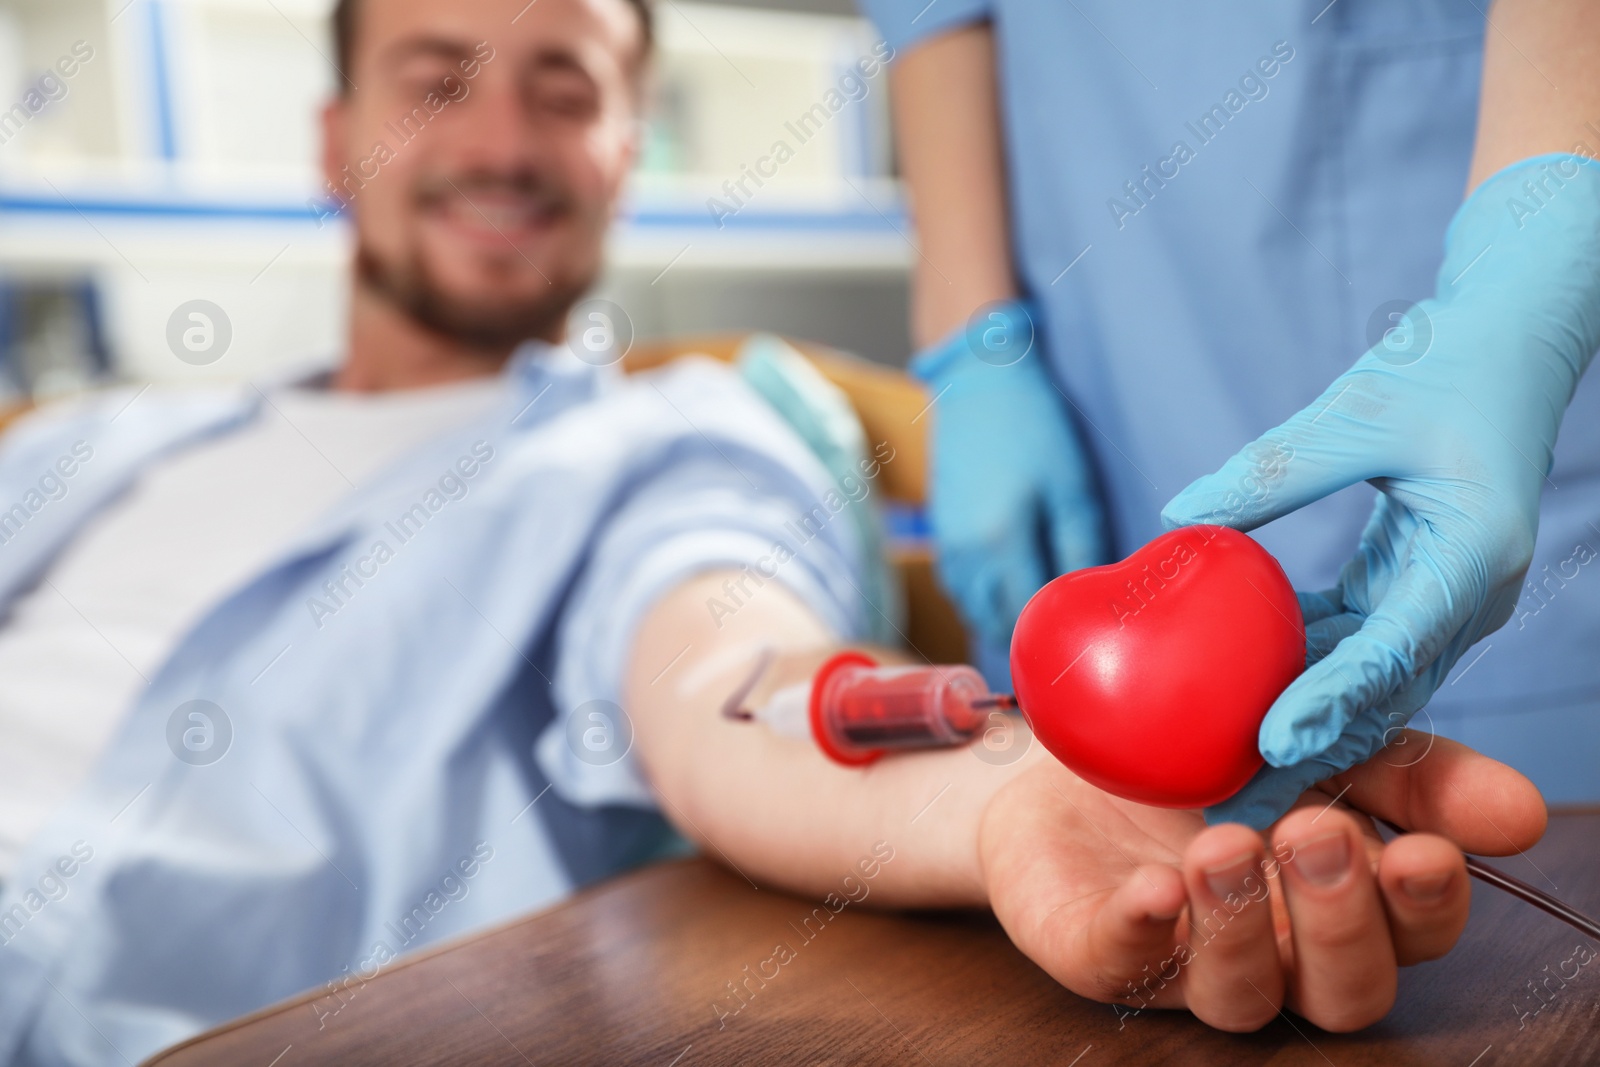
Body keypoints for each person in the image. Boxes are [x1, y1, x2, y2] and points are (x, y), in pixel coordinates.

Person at [0, 0, 1545, 1060]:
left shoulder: (671, 437)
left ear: (624, 148)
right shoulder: (82, 442)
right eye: (437, 74)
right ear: (333, 135)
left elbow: (731, 673)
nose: (503, 138)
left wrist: (1008, 787)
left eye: (566, 85)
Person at [861, 0, 1600, 826]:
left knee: (1514, 888)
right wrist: (975, 341)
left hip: (1469, 174)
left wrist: (1530, 258)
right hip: (1093, 288)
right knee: (1128, 883)